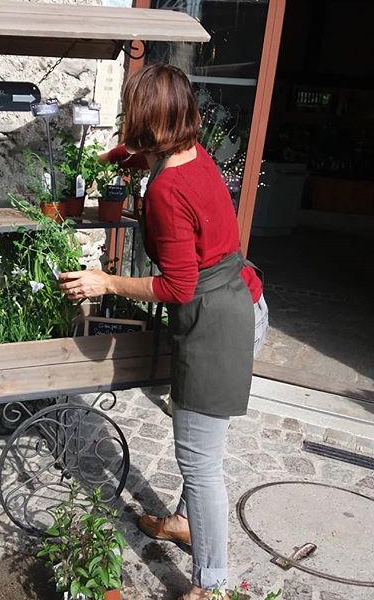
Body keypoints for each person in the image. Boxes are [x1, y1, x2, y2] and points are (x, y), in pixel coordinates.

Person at [58, 63, 269, 600]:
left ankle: (211, 585)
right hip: (244, 299)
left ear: (148, 119)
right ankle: (182, 522)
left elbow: (176, 287)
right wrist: (115, 155)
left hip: (217, 326)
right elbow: (153, 155)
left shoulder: (166, 191)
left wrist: (104, 281)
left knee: (200, 463)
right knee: (198, 449)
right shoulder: (195, 156)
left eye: (132, 111)